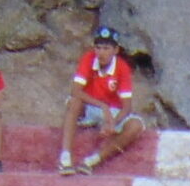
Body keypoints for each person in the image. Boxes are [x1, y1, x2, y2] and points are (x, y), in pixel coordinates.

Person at [57, 26, 143, 176]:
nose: (101, 53)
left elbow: (127, 106)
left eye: (106, 48)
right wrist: (103, 106)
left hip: (113, 110)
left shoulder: (122, 68)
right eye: (98, 48)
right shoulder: (88, 58)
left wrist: (112, 123)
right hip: (91, 106)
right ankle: (65, 158)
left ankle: (93, 160)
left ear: (116, 50)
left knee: (136, 125)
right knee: (74, 102)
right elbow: (75, 90)